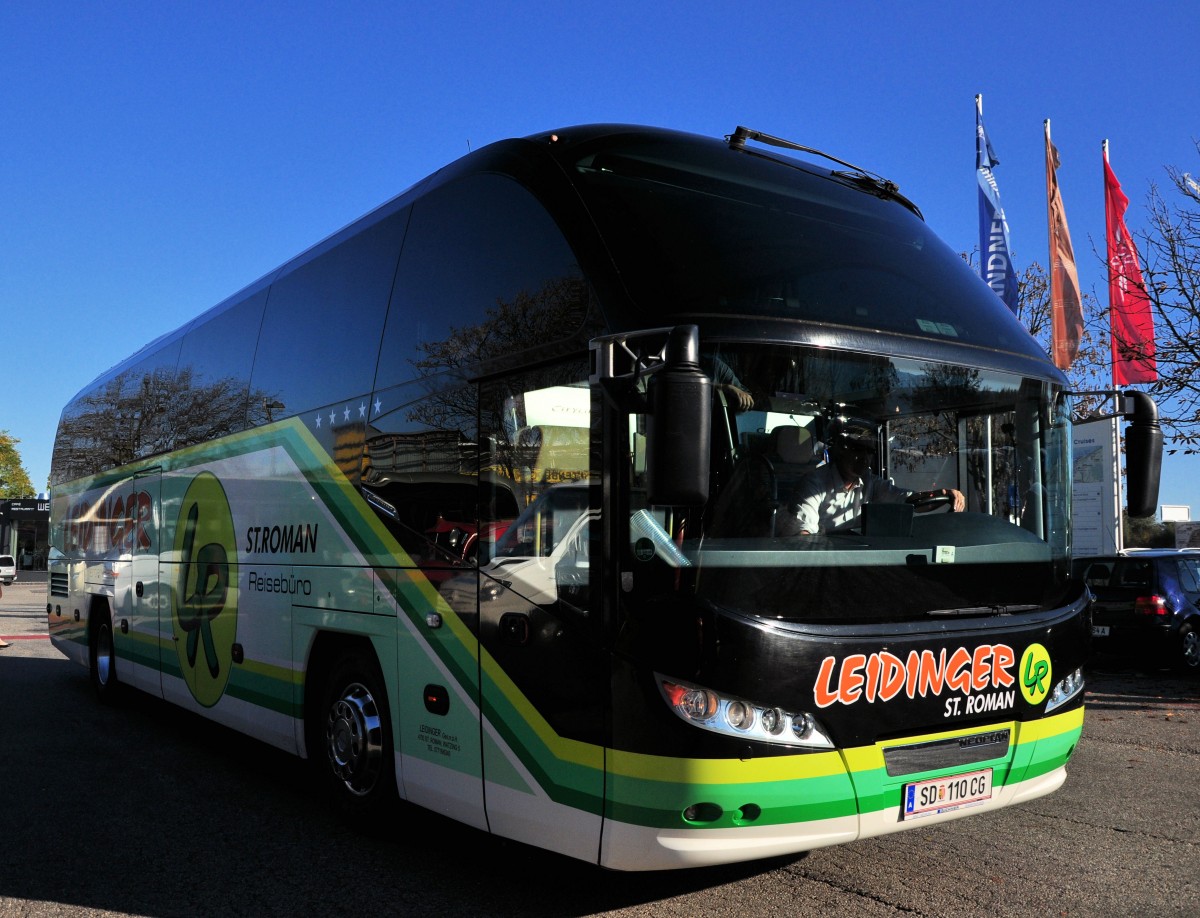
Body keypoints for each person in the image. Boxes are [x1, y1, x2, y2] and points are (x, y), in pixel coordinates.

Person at [792, 414, 965, 535]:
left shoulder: (870, 482)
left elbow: (908, 501)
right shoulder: (814, 484)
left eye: (869, 451)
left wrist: (944, 494)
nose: (865, 458)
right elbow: (804, 537)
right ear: (840, 450)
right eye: (858, 449)